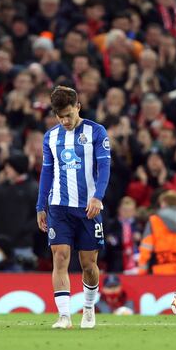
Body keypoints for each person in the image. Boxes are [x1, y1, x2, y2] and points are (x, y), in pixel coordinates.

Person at [36, 86, 111, 329]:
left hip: (88, 208)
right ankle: (64, 316)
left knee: (88, 264)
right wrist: (40, 206)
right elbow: (47, 172)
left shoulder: (96, 132)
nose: (65, 120)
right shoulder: (51, 137)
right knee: (60, 258)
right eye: (60, 116)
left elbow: (104, 168)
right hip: (58, 206)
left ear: (78, 106)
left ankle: (88, 309)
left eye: (69, 114)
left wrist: (98, 197)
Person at [137, 190, 176, 276]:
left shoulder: (154, 220)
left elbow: (146, 247)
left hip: (161, 270)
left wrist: (141, 272)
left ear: (163, 203)